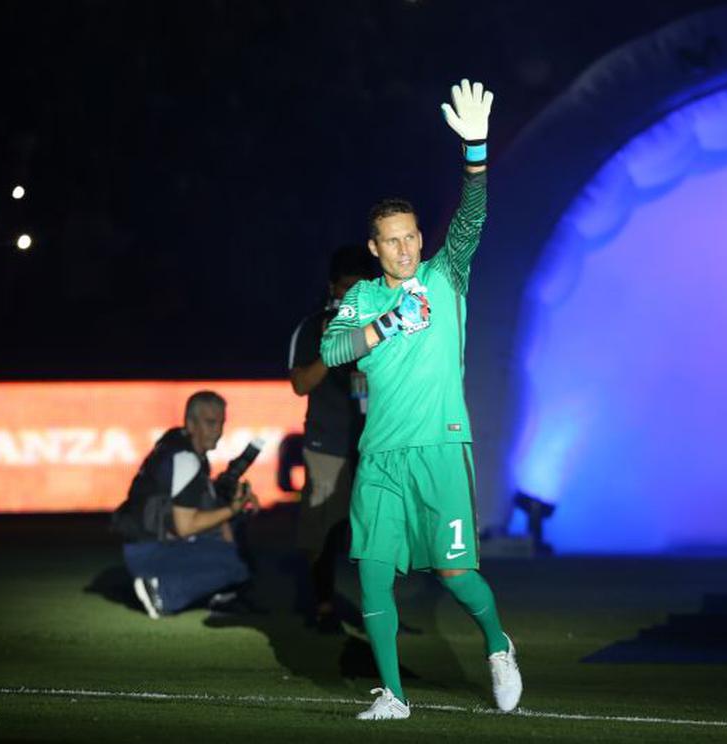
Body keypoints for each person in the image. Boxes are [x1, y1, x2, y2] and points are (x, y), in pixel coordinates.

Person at [321, 79, 521, 719]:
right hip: (381, 456)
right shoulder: (364, 299)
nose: (407, 248)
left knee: (456, 577)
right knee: (374, 574)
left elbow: (471, 218)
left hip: (440, 447)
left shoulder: (445, 274)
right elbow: (329, 352)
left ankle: (497, 646)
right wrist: (384, 325)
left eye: (411, 236)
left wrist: (476, 151)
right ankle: (394, 697)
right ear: (375, 248)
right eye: (394, 241)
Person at [288, 245, 373, 632]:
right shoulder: (313, 326)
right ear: (332, 287)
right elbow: (301, 384)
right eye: (345, 288)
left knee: (377, 534)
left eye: (360, 288)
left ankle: (377, 614)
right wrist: (332, 349)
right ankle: (322, 606)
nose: (351, 296)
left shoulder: (378, 326)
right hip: (328, 446)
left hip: (372, 447)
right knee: (321, 530)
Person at [117, 391, 259, 619]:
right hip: (150, 551)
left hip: (145, 545)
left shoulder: (178, 448)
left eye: (221, 423)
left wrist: (230, 514)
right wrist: (232, 510)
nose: (218, 431)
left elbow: (201, 509)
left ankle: (220, 593)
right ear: (190, 424)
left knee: (232, 542)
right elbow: (185, 527)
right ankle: (161, 592)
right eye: (210, 423)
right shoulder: (186, 459)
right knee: (237, 564)